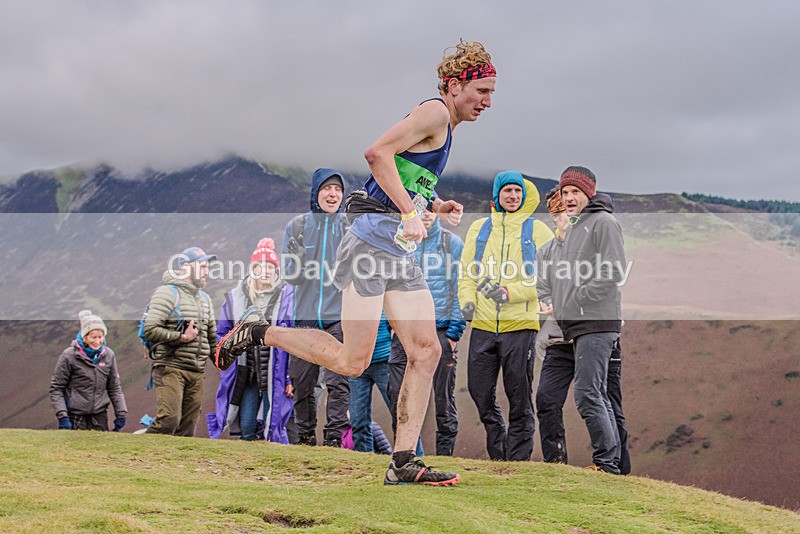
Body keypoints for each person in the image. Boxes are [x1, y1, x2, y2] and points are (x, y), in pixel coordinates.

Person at [216, 40, 496, 485]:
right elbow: (376, 154)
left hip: (396, 249)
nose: (486, 101)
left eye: (491, 93)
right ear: (454, 85)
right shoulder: (435, 113)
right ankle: (260, 331)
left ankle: (404, 462)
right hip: (369, 245)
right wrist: (408, 212)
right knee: (352, 361)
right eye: (481, 90)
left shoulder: (446, 126)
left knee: (427, 349)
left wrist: (433, 204)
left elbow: (397, 176)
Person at [458, 171, 554, 461]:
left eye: (517, 191)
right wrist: (467, 302)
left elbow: (547, 276)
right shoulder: (479, 228)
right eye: (506, 191)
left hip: (520, 327)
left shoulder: (537, 230)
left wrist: (509, 292)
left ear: (523, 195)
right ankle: (498, 450)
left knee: (520, 397)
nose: (512, 196)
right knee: (480, 393)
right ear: (497, 195)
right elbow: (466, 272)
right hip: (483, 326)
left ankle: (517, 461)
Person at [535, 188, 631, 473]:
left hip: (594, 328)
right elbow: (543, 288)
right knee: (547, 398)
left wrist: (574, 299)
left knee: (604, 399)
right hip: (561, 336)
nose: (560, 215)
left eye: (564, 210)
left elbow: (612, 273)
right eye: (555, 212)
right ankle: (556, 464)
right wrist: (552, 302)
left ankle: (617, 468)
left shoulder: (593, 233)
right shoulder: (547, 252)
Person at [280, 168, 350, 448]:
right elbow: (290, 276)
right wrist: (297, 262)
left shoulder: (348, 227)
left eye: (337, 190)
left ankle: (334, 439)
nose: (332, 194)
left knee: (338, 381)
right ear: (315, 193)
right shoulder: (296, 227)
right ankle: (306, 439)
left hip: (338, 317)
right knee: (303, 383)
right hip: (305, 318)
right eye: (326, 189)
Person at [388, 209, 464, 456]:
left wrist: (453, 333)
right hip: (404, 334)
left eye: (433, 210)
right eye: (423, 210)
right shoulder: (401, 244)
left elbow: (461, 288)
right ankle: (406, 454)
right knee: (397, 393)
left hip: (441, 331)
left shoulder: (451, 244)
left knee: (443, 401)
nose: (428, 214)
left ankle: (445, 458)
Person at [207, 239, 295, 443]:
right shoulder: (236, 298)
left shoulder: (288, 297)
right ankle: (248, 467)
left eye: (270, 267)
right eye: (260, 266)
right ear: (252, 269)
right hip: (248, 373)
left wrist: (290, 377)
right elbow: (222, 333)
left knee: (272, 423)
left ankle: (269, 465)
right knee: (247, 425)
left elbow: (294, 338)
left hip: (276, 373)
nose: (266, 271)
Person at [143, 246, 217, 437]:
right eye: (202, 266)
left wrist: (223, 359)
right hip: (170, 368)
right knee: (169, 420)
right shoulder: (167, 293)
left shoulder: (205, 299)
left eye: (207, 266)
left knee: (186, 431)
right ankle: (136, 449)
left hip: (197, 372)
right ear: (185, 266)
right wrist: (182, 337)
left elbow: (211, 338)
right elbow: (150, 329)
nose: (207, 271)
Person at [50, 310, 127, 431]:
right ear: (84, 337)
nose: (97, 341)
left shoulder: (108, 355)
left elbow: (114, 388)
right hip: (74, 416)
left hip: (99, 415)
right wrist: (62, 416)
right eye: (93, 337)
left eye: (100, 337)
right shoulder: (69, 355)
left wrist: (121, 413)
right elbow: (56, 388)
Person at [349, 315, 394, 453]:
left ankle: (414, 458)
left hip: (385, 360)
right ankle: (365, 462)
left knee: (401, 416)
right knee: (357, 421)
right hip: (357, 365)